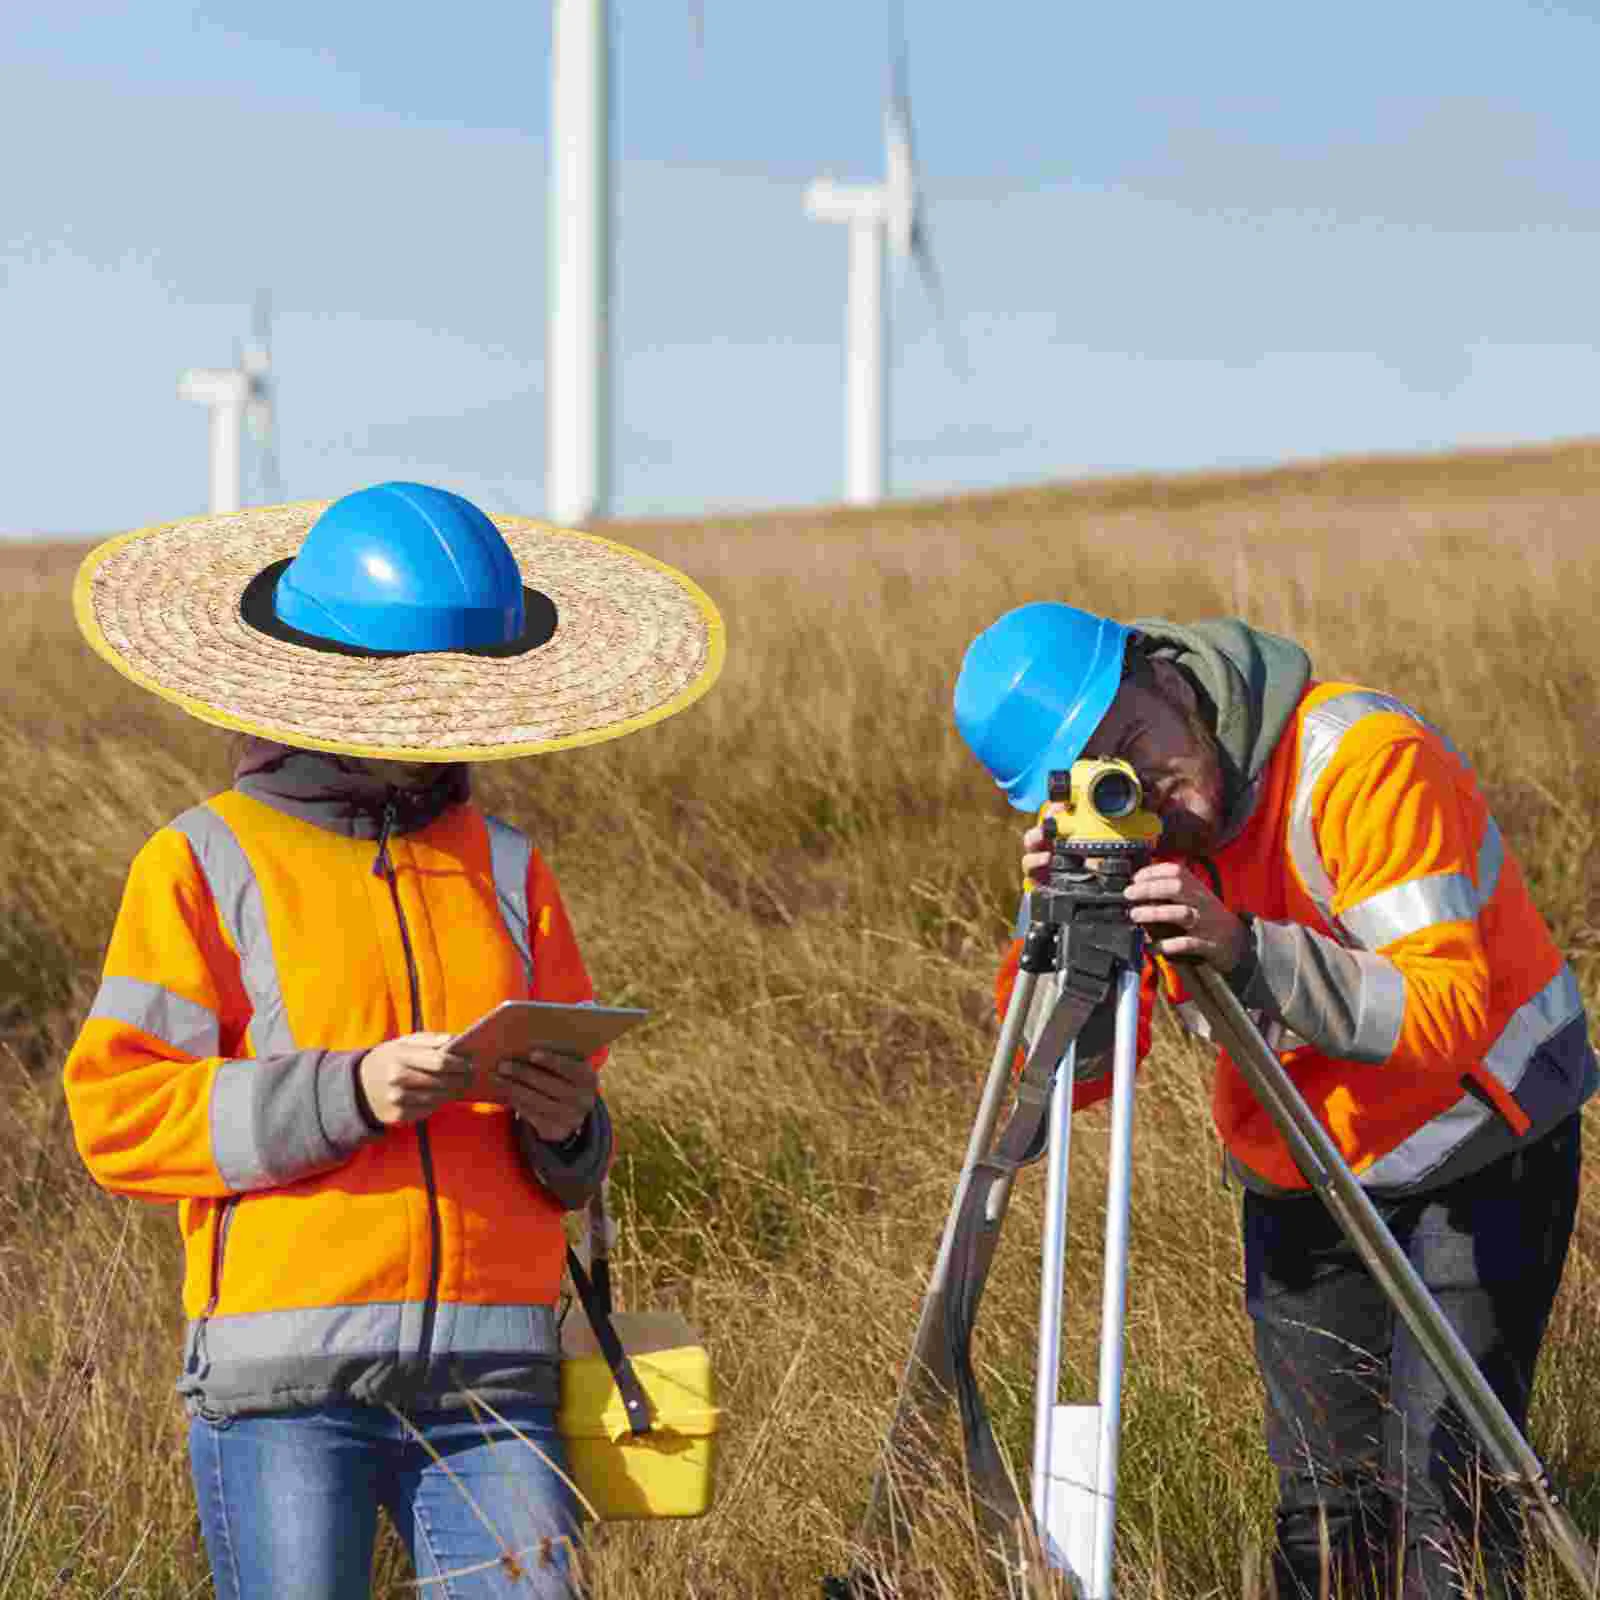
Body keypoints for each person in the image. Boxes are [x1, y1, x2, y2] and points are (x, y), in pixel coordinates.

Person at [63, 482, 723, 1599]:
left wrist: (568, 1131)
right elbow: (119, 1115)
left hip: (496, 1387)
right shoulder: (198, 862)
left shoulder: (510, 865)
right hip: (283, 1394)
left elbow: (570, 1140)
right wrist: (348, 1091)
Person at [953, 603, 1594, 1599]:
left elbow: (1446, 1011)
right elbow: (1074, 1085)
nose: (1145, 789)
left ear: (1165, 675)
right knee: (1325, 1521)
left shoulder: (1360, 761)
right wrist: (1059, 926)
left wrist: (1243, 948)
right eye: (1096, 777)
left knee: (1447, 1506)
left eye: (1132, 743)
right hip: (1303, 1173)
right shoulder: (1138, 831)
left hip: (1477, 1143)